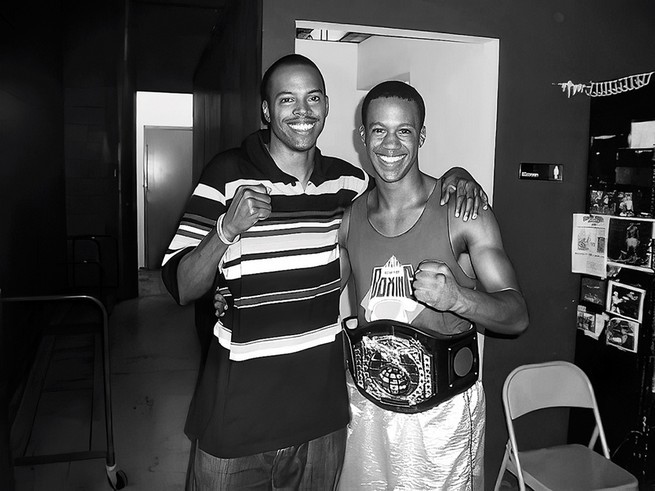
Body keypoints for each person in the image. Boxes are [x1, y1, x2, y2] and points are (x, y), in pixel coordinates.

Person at [163, 54, 488, 490]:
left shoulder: (349, 186)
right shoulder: (225, 175)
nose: (302, 111)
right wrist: (226, 230)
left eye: (313, 98)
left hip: (322, 414)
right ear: (266, 109)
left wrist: (457, 174)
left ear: (327, 105)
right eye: (287, 100)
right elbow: (183, 286)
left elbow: (402, 191)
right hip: (235, 412)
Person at [336, 81, 529, 490]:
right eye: (378, 130)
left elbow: (516, 315)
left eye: (404, 130)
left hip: (442, 416)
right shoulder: (350, 218)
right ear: (362, 137)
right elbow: (317, 294)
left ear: (421, 136)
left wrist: (458, 298)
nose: (390, 143)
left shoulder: (462, 211)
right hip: (369, 406)